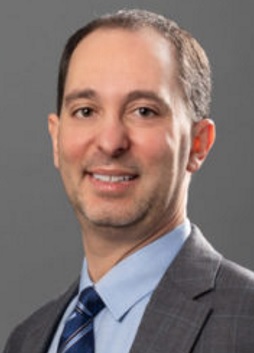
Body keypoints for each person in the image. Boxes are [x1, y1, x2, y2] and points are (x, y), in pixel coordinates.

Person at [4, 9, 254, 353]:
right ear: (56, 139)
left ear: (198, 144)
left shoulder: (246, 319)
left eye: (144, 111)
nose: (110, 142)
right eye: (86, 111)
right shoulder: (27, 340)